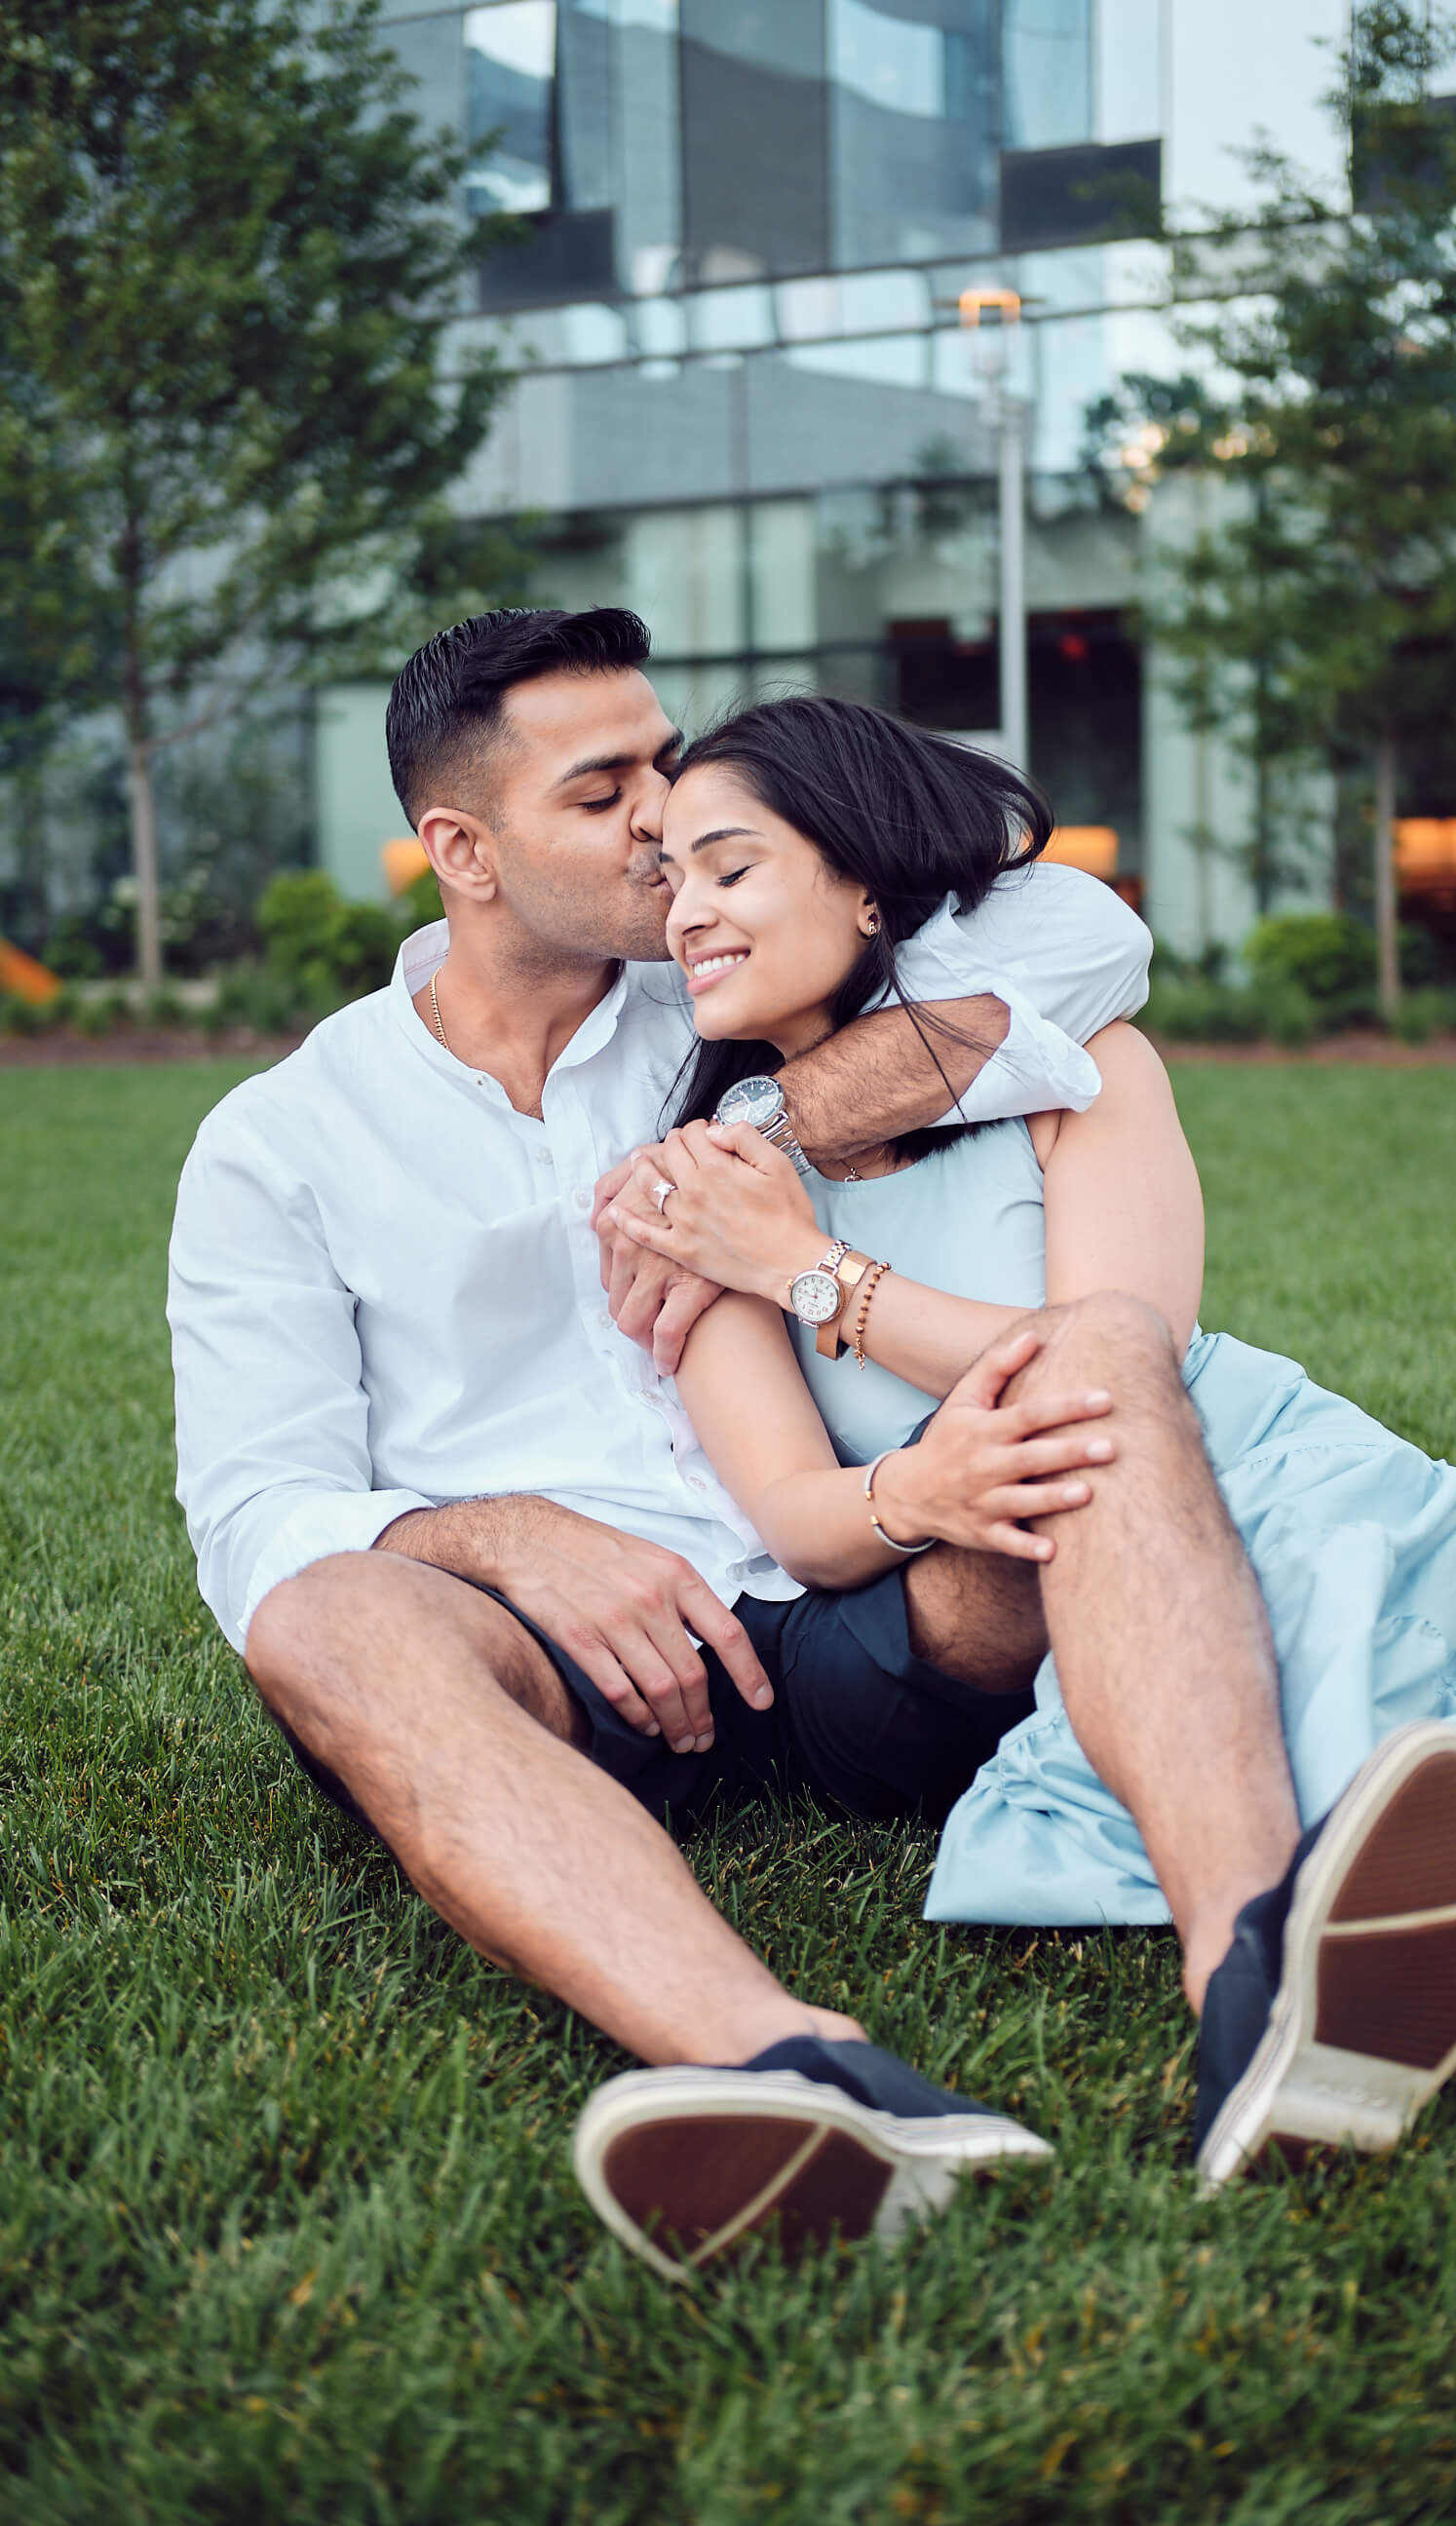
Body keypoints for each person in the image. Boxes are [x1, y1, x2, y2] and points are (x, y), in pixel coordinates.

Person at [170, 603, 1190, 2282]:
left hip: (879, 1583)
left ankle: (1288, 1858)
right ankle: (789, 2068)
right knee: (325, 1618)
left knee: (1065, 1432)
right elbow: (257, 1507)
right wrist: (495, 1534)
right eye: (602, 790)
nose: (664, 818)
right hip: (555, 1669)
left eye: (664, 760)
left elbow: (1080, 935)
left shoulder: (735, 993)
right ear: (461, 850)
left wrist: (753, 1128)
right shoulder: (283, 1139)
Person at [600, 691, 1456, 2206]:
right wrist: (919, 1484)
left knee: (1129, 1409)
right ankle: (1448, 2004)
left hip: (1248, 1481)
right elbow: (801, 1520)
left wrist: (814, 1276)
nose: (686, 912)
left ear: (863, 883)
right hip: (1018, 1563)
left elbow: (1131, 1361)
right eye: (671, 882)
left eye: (730, 866)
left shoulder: (1078, 1073)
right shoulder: (688, 1206)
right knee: (1291, 1714)